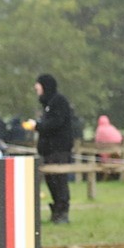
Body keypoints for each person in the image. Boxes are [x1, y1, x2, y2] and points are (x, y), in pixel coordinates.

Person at [25, 73, 74, 224]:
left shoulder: (59, 102)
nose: (36, 88)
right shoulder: (48, 105)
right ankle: (56, 211)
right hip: (48, 151)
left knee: (59, 181)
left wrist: (37, 126)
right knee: (51, 181)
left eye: (38, 85)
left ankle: (63, 212)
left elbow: (55, 123)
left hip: (58, 150)